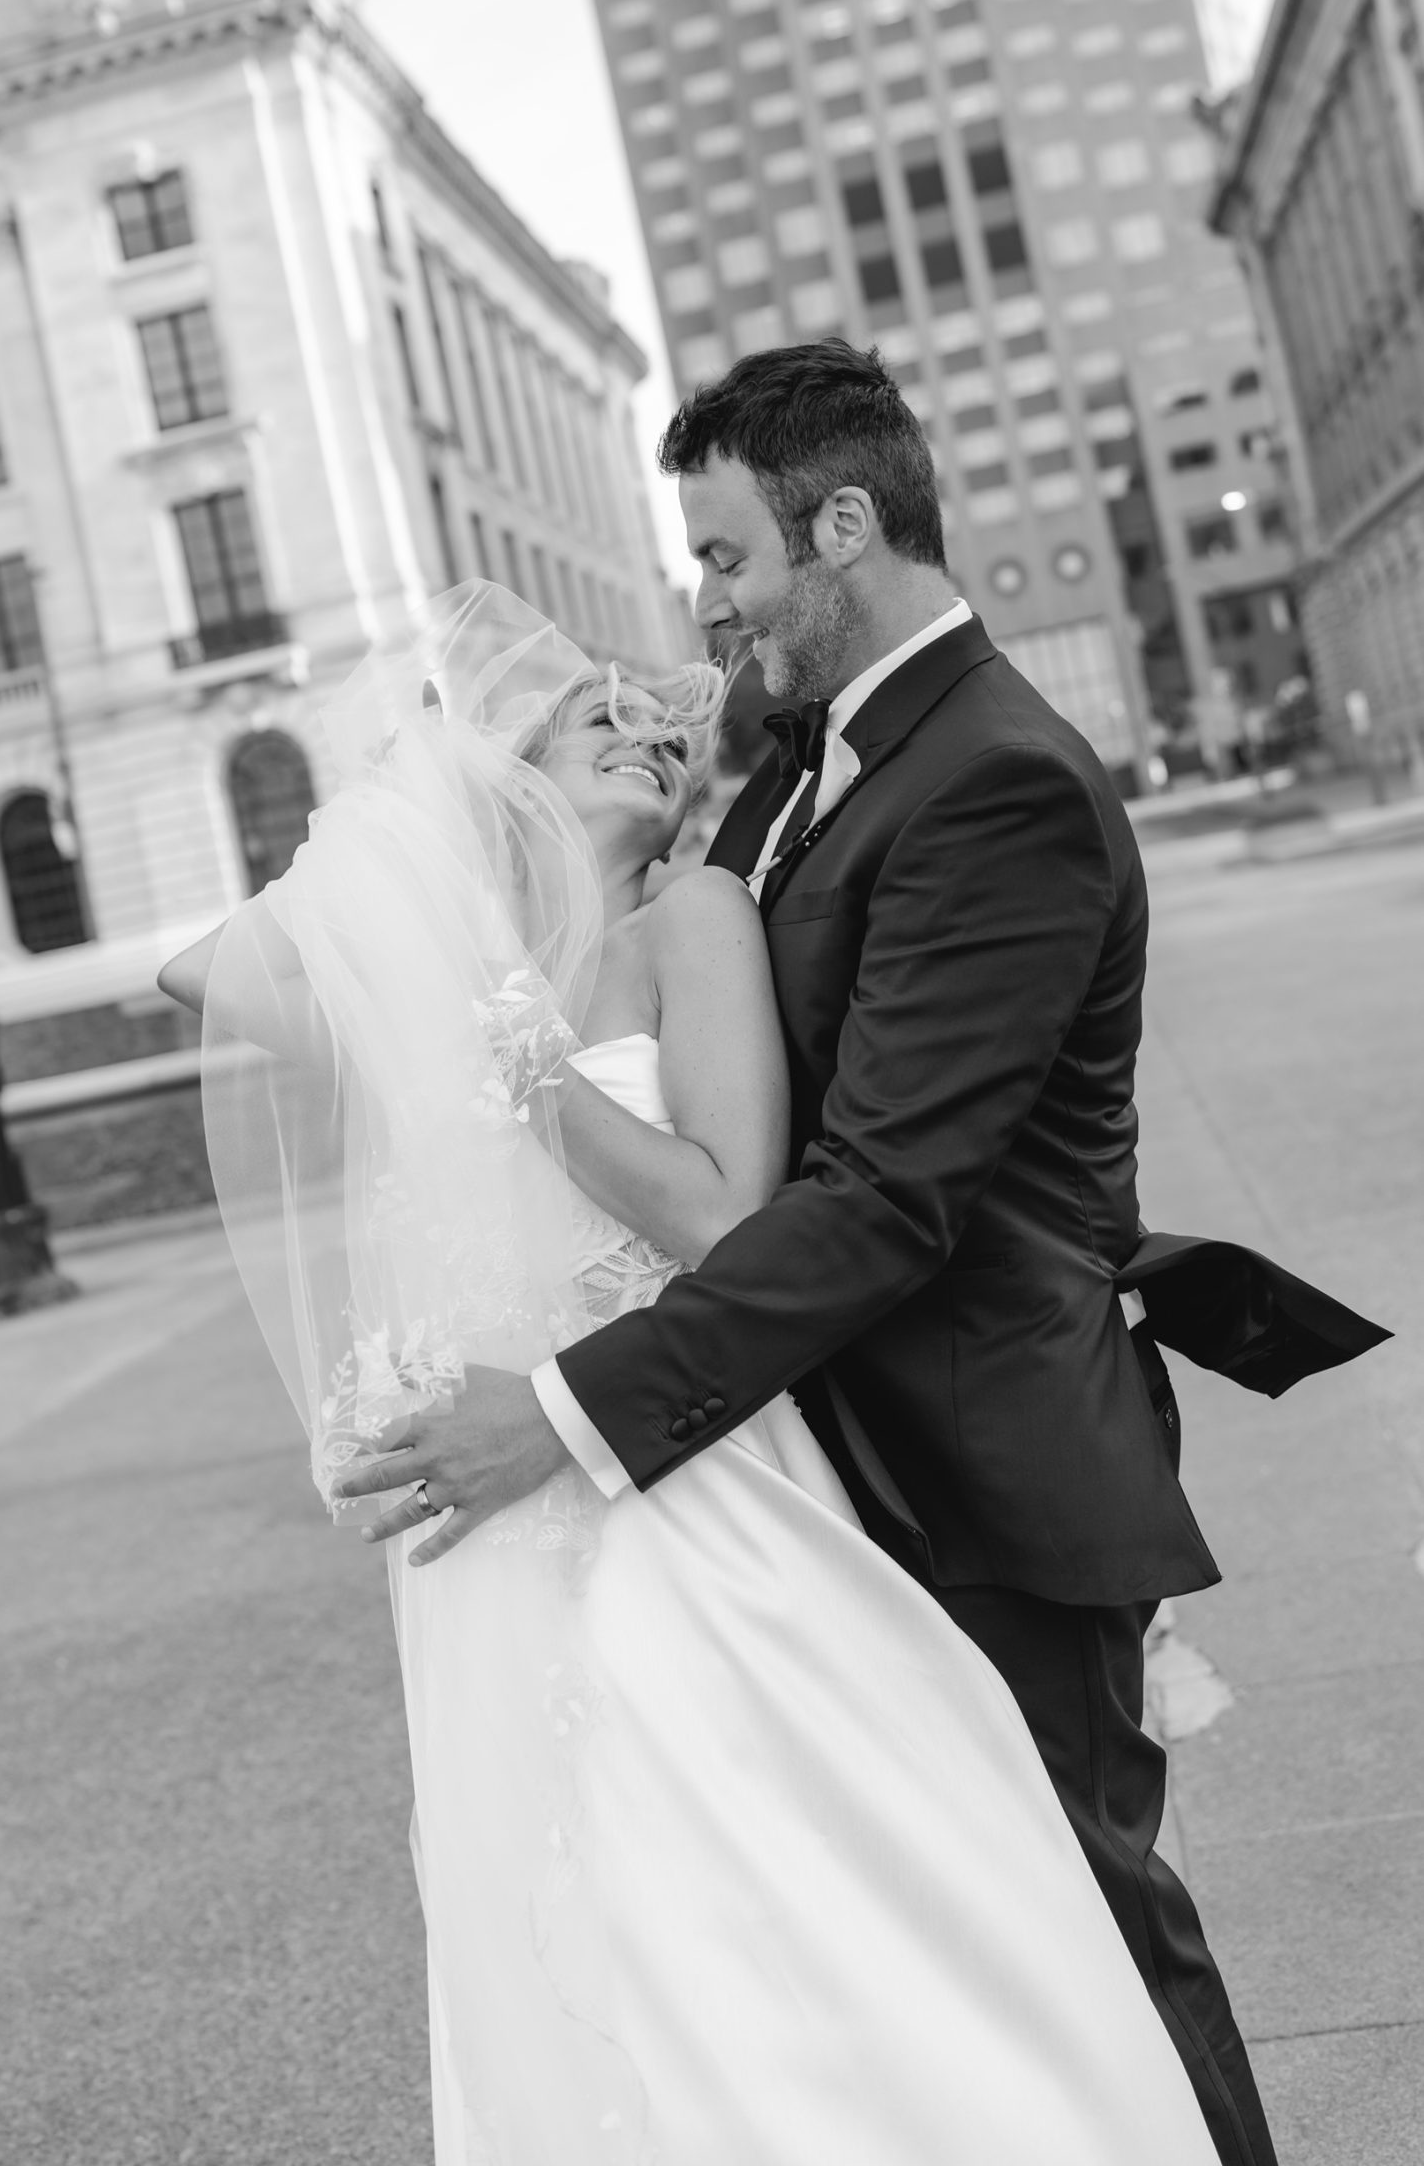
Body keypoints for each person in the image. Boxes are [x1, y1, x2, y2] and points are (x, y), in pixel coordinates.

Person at [332, 341, 1385, 2166]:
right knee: (947, 1981)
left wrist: (568, 1414)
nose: (708, 605)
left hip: (986, 1463)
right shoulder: (803, 777)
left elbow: (893, 1196)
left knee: (1094, 1948)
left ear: (842, 523)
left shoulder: (997, 780)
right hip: (829, 1464)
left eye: (730, 558)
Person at [164, 581, 1227, 2163]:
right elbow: (203, 970)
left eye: (656, 732)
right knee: (578, 1946)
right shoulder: (446, 977)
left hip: (696, 1493)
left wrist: (538, 1080)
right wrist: (429, 811)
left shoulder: (695, 921)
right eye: (593, 725)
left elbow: (726, 1213)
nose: (647, 740)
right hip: (505, 1549)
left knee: (783, 1913)